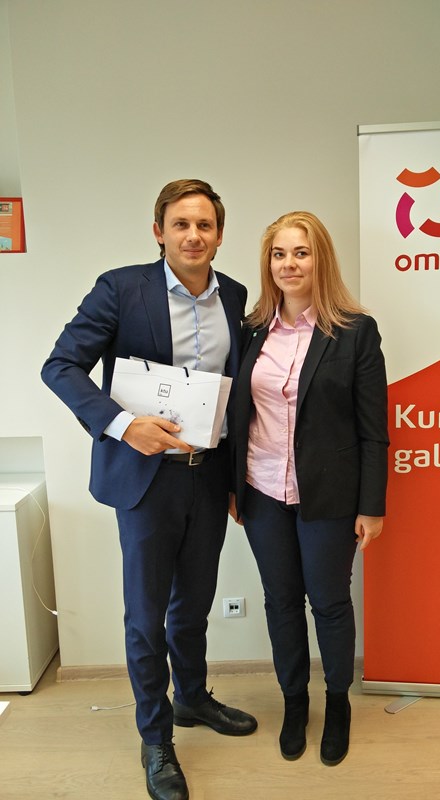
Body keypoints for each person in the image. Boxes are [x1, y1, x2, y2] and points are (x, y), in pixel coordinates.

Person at [41, 179, 257, 800]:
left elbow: (234, 392)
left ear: (220, 234)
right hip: (145, 478)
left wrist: (237, 479)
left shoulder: (235, 295)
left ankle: (191, 698)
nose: (193, 235)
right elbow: (60, 365)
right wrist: (121, 423)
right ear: (159, 231)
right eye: (180, 224)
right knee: (146, 614)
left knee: (194, 603)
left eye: (205, 225)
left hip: (208, 474)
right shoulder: (120, 288)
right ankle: (156, 737)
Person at [231, 211, 389, 766]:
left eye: (301, 252)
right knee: (280, 602)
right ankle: (294, 703)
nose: (289, 264)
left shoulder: (355, 330)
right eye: (279, 254)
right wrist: (232, 487)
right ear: (268, 263)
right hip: (262, 490)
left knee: (329, 602)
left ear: (320, 259)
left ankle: (338, 703)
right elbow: (236, 413)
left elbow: (373, 429)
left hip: (330, 495)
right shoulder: (251, 330)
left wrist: (372, 506)